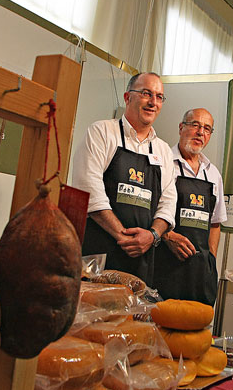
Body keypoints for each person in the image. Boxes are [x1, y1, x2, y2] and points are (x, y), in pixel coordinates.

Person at [71, 73, 176, 285]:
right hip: (99, 255)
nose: (152, 102)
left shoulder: (163, 150)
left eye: (159, 96)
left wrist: (153, 235)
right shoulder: (102, 132)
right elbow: (89, 190)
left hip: (142, 260)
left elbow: (168, 202)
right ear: (128, 97)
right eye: (146, 93)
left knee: (134, 317)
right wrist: (124, 237)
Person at [152, 108, 227, 306]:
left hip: (199, 276)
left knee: (195, 333)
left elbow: (215, 223)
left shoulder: (213, 174)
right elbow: (148, 211)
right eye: (195, 125)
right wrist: (167, 236)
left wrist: (210, 260)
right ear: (181, 127)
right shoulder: (162, 161)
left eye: (207, 129)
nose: (200, 132)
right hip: (163, 266)